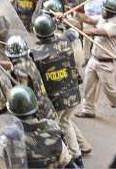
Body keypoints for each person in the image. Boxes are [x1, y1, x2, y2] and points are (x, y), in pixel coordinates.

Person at [30, 14, 84, 166]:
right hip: (73, 95)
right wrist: (59, 21)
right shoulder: (66, 41)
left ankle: (67, 161)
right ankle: (77, 156)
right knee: (66, 123)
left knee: (55, 130)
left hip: (55, 102)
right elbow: (74, 32)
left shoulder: (35, 54)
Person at [73, 0, 116, 121]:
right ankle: (88, 110)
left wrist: (79, 31)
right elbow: (88, 19)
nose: (102, 10)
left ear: (112, 12)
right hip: (94, 59)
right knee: (88, 85)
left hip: (107, 63)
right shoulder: (102, 17)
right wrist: (74, 12)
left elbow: (97, 32)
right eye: (104, 8)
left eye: (106, 10)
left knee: (110, 90)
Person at [0, 85, 76, 168]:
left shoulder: (7, 138)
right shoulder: (54, 131)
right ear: (35, 107)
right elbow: (67, 163)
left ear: (11, 113)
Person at [5, 35, 57, 121]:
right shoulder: (29, 60)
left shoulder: (19, 70)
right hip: (48, 107)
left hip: (39, 114)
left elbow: (23, 94)